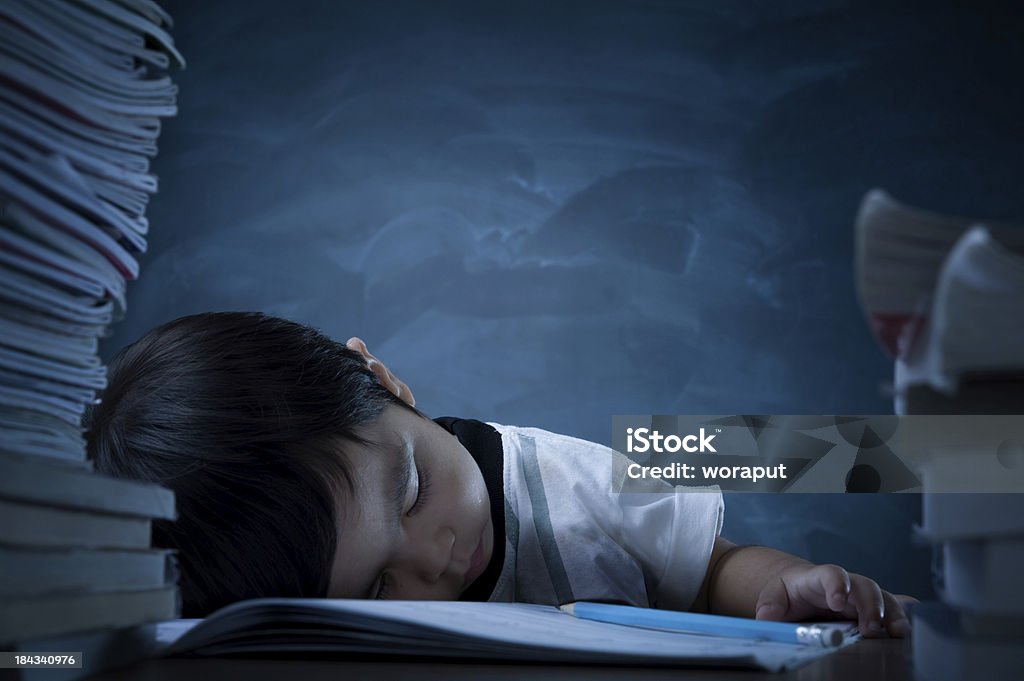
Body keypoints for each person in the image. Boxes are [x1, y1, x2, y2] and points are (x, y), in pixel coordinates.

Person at [85, 311, 915, 637]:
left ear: (384, 385)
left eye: (411, 491)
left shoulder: (571, 488)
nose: (436, 555)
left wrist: (797, 583)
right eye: (375, 590)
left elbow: (714, 569)